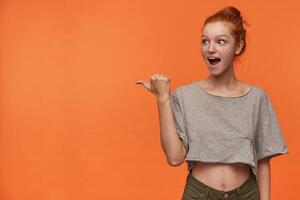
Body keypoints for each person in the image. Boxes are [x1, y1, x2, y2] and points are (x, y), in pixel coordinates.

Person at [136, 6, 288, 200]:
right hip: (199, 195)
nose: (210, 49)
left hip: (247, 194)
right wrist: (163, 98)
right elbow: (174, 157)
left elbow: (263, 161)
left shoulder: (256, 98)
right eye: (205, 41)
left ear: (238, 47)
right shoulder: (185, 96)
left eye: (220, 41)